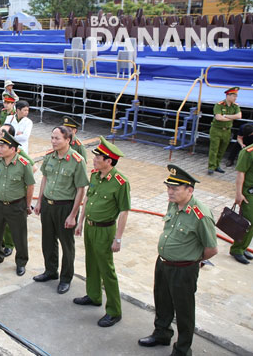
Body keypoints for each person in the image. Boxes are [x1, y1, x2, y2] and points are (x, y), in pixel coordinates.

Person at [138, 165, 217, 355]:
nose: (170, 192)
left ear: (190, 190)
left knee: (184, 311)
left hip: (183, 269)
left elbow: (212, 249)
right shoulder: (172, 204)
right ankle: (162, 334)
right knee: (162, 301)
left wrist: (194, 261)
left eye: (175, 188)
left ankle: (182, 349)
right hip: (164, 263)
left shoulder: (201, 215)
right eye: (168, 187)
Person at [74, 136, 130, 328]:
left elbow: (124, 211)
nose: (95, 159)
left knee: (107, 270)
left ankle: (114, 311)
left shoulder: (121, 182)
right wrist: (80, 221)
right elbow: (87, 200)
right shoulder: (95, 175)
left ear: (109, 161)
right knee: (91, 263)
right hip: (90, 226)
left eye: (98, 157)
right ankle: (94, 295)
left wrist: (118, 239)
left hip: (105, 230)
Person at [34, 125, 89, 294]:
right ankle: (51, 271)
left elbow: (81, 189)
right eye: (52, 138)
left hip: (65, 207)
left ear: (68, 140)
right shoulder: (50, 157)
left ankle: (66, 278)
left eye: (57, 138)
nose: (53, 141)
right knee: (48, 241)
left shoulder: (77, 160)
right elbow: (45, 179)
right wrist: (39, 201)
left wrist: (73, 215)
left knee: (67, 245)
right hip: (48, 206)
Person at [0, 132, 36, 276]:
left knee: (19, 235)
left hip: (16, 205)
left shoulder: (23, 164)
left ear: (12, 149)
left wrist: (27, 205)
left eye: (2, 146)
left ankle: (21, 262)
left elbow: (30, 185)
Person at [230, 140, 253, 264]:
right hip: (249, 193)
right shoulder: (249, 152)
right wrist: (239, 194)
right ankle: (237, 249)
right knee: (249, 222)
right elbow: (241, 173)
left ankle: (243, 247)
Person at [208, 87, 241, 175]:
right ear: (228, 96)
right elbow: (218, 117)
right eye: (234, 96)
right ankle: (211, 166)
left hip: (227, 131)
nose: (235, 98)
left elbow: (239, 116)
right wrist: (231, 117)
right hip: (216, 129)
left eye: (236, 96)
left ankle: (217, 165)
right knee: (214, 149)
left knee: (222, 149)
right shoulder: (219, 105)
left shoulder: (235, 106)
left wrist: (225, 116)